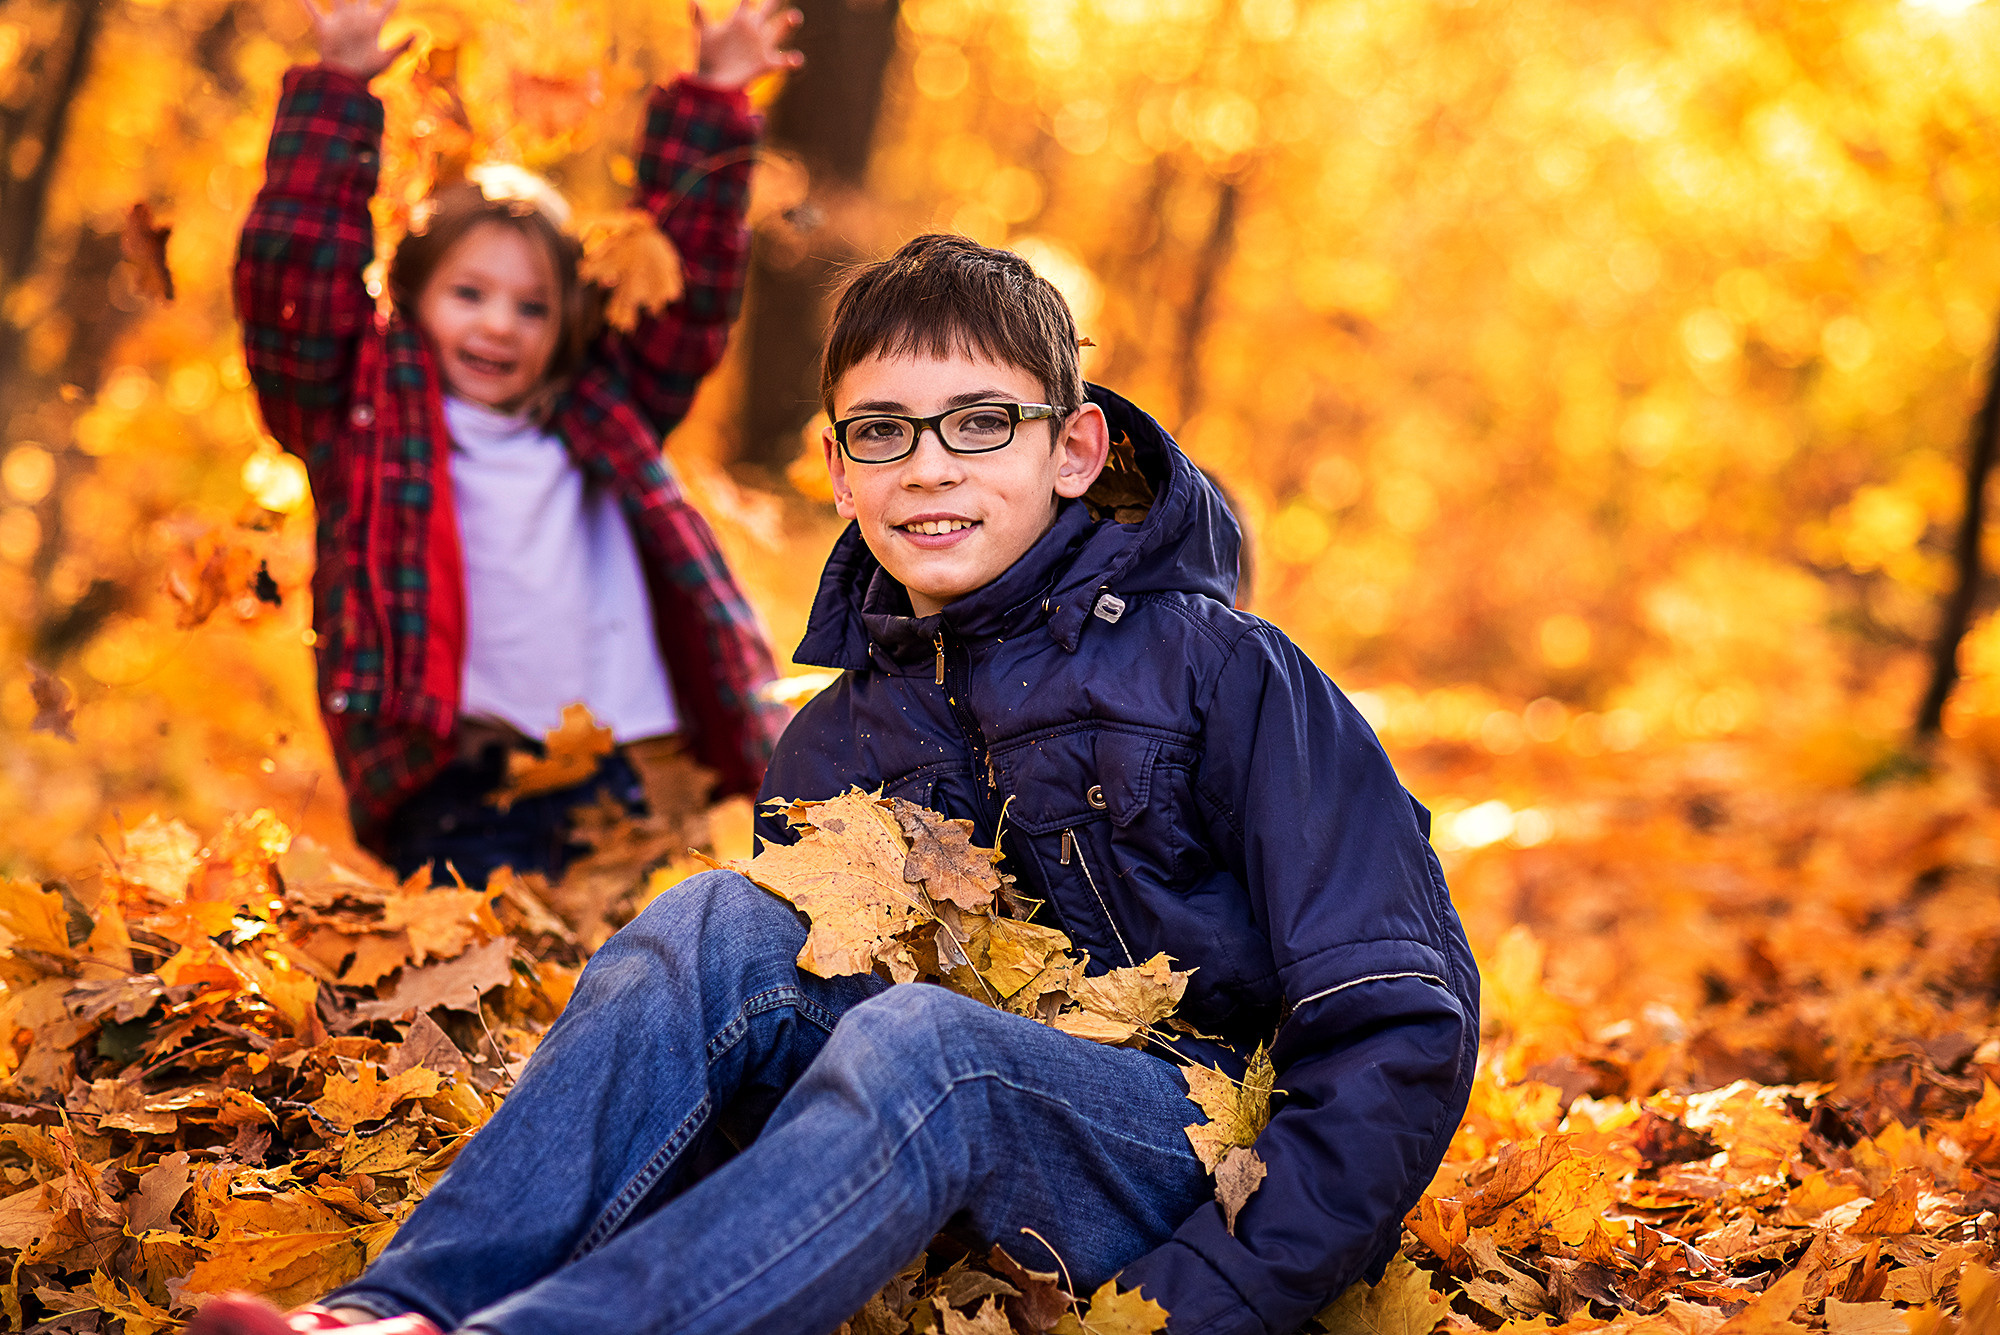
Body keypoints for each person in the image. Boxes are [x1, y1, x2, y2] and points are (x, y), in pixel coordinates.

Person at [196, 236, 1479, 1335]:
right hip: (934, 1158)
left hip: (1186, 1163)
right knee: (709, 921)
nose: (929, 467)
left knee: (934, 1046)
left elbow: (1398, 1019)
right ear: (836, 467)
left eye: (981, 423)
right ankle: (394, 1311)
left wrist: (1209, 1294)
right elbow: (779, 1085)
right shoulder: (831, 747)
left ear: (1074, 449)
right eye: (883, 432)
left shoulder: (1222, 672)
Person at [234, 0, 797, 884]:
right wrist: (340, 84)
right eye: (470, 293)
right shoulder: (363, 412)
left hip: (631, 780)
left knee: (634, 999)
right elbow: (288, 284)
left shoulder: (603, 407)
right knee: (488, 998)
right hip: (459, 781)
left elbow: (676, 292)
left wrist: (714, 97)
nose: (501, 325)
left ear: (567, 320)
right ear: (410, 294)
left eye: (532, 305)